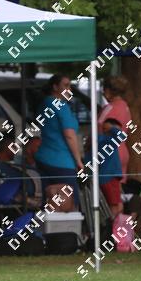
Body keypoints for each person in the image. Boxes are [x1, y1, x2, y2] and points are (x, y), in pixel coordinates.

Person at [34, 74, 83, 209]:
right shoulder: (61, 105)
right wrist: (78, 161)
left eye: (70, 86)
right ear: (55, 87)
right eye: (66, 85)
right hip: (62, 161)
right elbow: (69, 135)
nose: (69, 90)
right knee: (70, 203)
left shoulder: (44, 103)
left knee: (49, 202)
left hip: (43, 158)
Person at [85, 118, 124, 217]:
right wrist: (111, 128)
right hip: (109, 177)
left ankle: (112, 224)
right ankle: (112, 225)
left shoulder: (95, 143)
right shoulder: (106, 141)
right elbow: (121, 136)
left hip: (103, 178)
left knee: (116, 205)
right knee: (115, 206)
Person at [98, 75, 133, 183]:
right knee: (117, 189)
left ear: (108, 90)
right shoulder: (125, 107)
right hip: (122, 151)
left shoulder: (109, 109)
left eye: (104, 89)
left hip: (110, 155)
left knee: (107, 190)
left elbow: (102, 128)